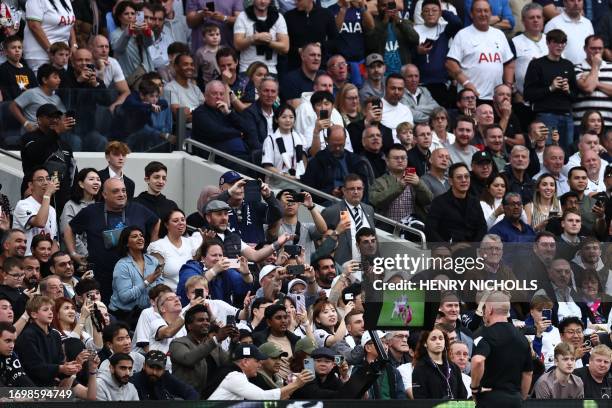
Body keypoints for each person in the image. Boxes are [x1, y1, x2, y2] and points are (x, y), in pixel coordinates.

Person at [65, 178, 160, 304]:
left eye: (123, 190)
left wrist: (151, 248)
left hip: (134, 276)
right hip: (102, 275)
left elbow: (156, 222)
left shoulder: (137, 209)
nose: (121, 194)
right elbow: (69, 228)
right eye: (115, 191)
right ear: (104, 194)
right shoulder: (91, 211)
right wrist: (73, 253)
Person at [470, 292, 533, 406]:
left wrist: (475, 388)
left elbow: (477, 360)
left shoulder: (485, 335)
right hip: (514, 400)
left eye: (484, 308)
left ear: (490, 310)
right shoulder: (522, 339)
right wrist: (521, 397)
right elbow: (528, 373)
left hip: (490, 400)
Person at [445, 0, 514, 101]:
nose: (483, 14)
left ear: (491, 13)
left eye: (486, 11)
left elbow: (509, 64)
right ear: (471, 14)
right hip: (471, 98)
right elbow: (450, 63)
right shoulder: (462, 35)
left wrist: (507, 87)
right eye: (479, 11)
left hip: (496, 100)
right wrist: (466, 83)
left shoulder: (499, 35)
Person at [524, 29, 577, 151]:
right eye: (556, 42)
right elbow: (528, 94)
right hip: (545, 115)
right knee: (546, 151)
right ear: (547, 43)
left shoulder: (568, 65)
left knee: (567, 153)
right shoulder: (537, 64)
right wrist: (550, 88)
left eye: (563, 42)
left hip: (566, 115)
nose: (560, 45)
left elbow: (575, 95)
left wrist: (568, 90)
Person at [20, 103, 76, 212]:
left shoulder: (64, 144)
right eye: (50, 117)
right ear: (39, 119)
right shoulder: (29, 137)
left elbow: (72, 171)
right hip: (36, 195)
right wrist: (56, 132)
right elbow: (34, 154)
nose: (54, 120)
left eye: (57, 117)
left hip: (62, 198)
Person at [205, 344, 313, 399]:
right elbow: (262, 397)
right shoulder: (234, 376)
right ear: (245, 361)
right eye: (257, 361)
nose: (260, 364)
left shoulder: (231, 372)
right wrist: (296, 384)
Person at [169, 304, 233, 397]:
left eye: (207, 320)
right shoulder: (178, 343)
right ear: (189, 326)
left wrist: (234, 343)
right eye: (200, 320)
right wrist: (216, 339)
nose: (206, 323)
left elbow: (230, 364)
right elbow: (188, 359)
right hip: (186, 400)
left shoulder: (214, 346)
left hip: (213, 397)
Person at [15, 296, 81, 386]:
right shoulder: (27, 336)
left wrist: (70, 366)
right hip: (32, 387)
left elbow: (59, 363)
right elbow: (35, 367)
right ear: (34, 314)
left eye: (51, 309)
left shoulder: (55, 335)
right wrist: (61, 368)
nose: (50, 312)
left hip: (52, 384)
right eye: (45, 310)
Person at [109, 226, 163, 326]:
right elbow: (125, 297)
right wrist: (147, 282)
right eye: (134, 236)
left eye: (141, 235)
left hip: (148, 312)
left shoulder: (152, 261)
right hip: (125, 316)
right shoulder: (122, 265)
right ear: (126, 243)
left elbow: (160, 286)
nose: (140, 238)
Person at [412, 0, 462, 108]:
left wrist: (442, 11)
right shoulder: (414, 30)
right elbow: (407, 54)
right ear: (421, 14)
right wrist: (417, 52)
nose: (430, 13)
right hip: (420, 83)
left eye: (434, 11)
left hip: (441, 83)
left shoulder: (444, 29)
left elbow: (457, 23)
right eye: (427, 11)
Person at [369, 143, 433, 224]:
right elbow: (376, 201)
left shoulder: (415, 179)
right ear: (387, 161)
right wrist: (400, 186)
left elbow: (428, 200)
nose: (400, 161)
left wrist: (419, 184)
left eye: (403, 158)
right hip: (387, 230)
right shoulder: (379, 182)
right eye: (396, 158)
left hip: (412, 228)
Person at [191, 79, 252, 162]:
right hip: (213, 158)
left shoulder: (224, 111)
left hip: (235, 154)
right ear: (205, 95)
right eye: (214, 93)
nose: (218, 97)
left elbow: (246, 128)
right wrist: (238, 133)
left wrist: (229, 113)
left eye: (221, 94)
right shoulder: (199, 112)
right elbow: (216, 132)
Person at [301, 126, 371, 197]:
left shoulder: (355, 160)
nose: (337, 148)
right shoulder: (316, 162)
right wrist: (330, 192)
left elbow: (364, 187)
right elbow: (307, 192)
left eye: (341, 145)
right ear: (327, 140)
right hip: (325, 203)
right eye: (334, 145)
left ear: (345, 140)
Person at [425, 162, 487, 242]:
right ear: (451, 181)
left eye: (466, 176)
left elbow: (482, 227)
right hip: (448, 250)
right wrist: (445, 248)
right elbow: (430, 230)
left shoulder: (474, 201)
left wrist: (474, 246)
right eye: (459, 177)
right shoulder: (439, 202)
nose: (464, 180)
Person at [321, 174, 376, 264]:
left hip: (365, 268)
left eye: (359, 188)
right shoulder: (332, 211)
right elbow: (319, 241)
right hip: (342, 268)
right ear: (344, 191)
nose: (356, 192)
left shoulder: (369, 210)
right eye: (352, 189)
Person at [233, 0, 288, 75]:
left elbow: (285, 47)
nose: (263, 1)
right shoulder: (243, 16)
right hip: (247, 68)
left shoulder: (278, 17)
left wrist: (267, 42)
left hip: (270, 69)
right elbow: (237, 45)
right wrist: (253, 38)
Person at [12, 166, 59, 255]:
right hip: (26, 260)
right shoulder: (23, 204)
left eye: (47, 179)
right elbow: (40, 222)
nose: (46, 183)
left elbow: (53, 241)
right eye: (40, 180)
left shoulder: (52, 210)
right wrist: (48, 194)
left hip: (44, 261)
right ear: (31, 185)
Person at [364, 0, 418, 75]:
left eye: (389, 5)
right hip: (381, 75)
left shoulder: (403, 22)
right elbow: (370, 45)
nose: (387, 9)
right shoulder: (372, 24)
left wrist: (399, 22)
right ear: (377, 7)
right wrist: (384, 23)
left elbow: (415, 40)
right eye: (384, 5)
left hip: (403, 74)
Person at [411, 328, 467, 399]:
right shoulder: (420, 368)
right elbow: (420, 398)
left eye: (441, 338)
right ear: (425, 343)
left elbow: (462, 395)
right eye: (433, 339)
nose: (438, 342)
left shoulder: (453, 367)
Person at [23, 0, 77, 72]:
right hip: (40, 55)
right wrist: (51, 51)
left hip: (61, 54)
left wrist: (74, 44)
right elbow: (34, 26)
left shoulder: (66, 1)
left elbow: (68, 23)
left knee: (60, 81)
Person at [284, 0, 338, 70]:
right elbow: (285, 45)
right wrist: (298, 50)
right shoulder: (288, 16)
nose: (295, 3)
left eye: (299, 0)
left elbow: (335, 41)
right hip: (295, 66)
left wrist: (321, 45)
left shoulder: (326, 14)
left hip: (320, 67)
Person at [262, 104, 307, 186]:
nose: (288, 120)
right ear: (276, 119)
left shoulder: (300, 137)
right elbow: (267, 167)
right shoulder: (270, 139)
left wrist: (300, 176)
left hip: (298, 182)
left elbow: (304, 161)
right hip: (276, 184)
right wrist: (285, 176)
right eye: (284, 117)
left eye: (291, 117)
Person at [59, 168, 100, 260]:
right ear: (81, 184)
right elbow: (67, 232)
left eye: (98, 179)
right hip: (77, 258)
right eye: (91, 179)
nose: (96, 182)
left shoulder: (101, 205)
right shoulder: (71, 205)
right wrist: (86, 255)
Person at [110, 1, 154, 84]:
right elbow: (118, 49)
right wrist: (128, 32)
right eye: (126, 14)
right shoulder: (115, 34)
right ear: (119, 17)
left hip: (146, 73)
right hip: (129, 77)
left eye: (133, 13)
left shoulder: (140, 31)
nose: (130, 16)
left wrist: (147, 32)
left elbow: (149, 43)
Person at [512, 3, 548, 106]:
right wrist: (515, 92)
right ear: (523, 21)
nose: (536, 20)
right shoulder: (514, 42)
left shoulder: (551, 40)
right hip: (524, 100)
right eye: (531, 17)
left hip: (548, 100)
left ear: (543, 19)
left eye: (538, 17)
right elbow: (508, 70)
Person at [574, 35, 612, 128]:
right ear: (585, 49)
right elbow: (588, 88)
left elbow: (590, 85)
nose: (597, 51)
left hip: (608, 122)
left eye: (600, 48)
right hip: (583, 122)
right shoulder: (576, 68)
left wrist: (596, 83)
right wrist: (595, 66)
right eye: (593, 48)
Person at [130, 349, 198, 400]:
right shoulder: (134, 381)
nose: (154, 372)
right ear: (144, 366)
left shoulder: (166, 377)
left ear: (164, 369)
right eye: (151, 367)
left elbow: (191, 393)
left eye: (158, 369)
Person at [88, 35, 131, 111]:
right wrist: (101, 71)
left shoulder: (113, 62)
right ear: (91, 49)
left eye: (107, 47)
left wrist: (114, 106)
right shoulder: (85, 61)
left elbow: (126, 92)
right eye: (100, 47)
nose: (104, 50)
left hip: (102, 101)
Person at [544, 0, 594, 65]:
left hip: (586, 70)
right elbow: (547, 51)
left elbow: (592, 47)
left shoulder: (588, 23)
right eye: (572, 0)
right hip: (563, 70)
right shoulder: (553, 24)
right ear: (564, 2)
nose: (576, 3)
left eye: (579, 0)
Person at [163, 53, 204, 131]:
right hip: (187, 132)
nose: (190, 67)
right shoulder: (169, 88)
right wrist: (201, 114)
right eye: (185, 64)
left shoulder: (195, 88)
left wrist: (194, 114)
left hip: (203, 125)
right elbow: (180, 117)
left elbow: (207, 110)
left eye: (192, 64)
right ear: (176, 67)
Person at [242, 77, 279, 150]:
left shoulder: (279, 112)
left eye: (273, 91)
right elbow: (254, 143)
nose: (269, 95)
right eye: (266, 91)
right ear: (258, 92)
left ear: (277, 94)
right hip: (260, 156)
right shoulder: (249, 113)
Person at [0, 36, 37, 101]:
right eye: (13, 48)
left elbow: (36, 91)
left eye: (19, 47)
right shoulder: (2, 70)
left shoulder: (29, 71)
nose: (17, 50)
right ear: (5, 52)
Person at [0, 322, 36, 387]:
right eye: (8, 341)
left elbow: (21, 377)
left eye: (14, 341)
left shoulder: (11, 355)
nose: (12, 346)